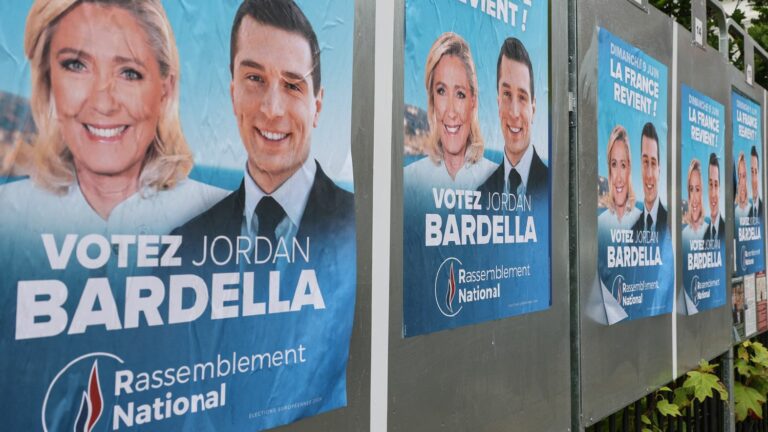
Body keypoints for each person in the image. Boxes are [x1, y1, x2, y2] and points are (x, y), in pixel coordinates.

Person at [0, 0, 225, 241]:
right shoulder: (8, 215)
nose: (103, 104)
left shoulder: (225, 218)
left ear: (165, 90)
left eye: (129, 73)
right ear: (48, 82)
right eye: (76, 65)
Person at [174, 0, 354, 267]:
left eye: (292, 86)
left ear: (317, 106)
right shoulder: (185, 245)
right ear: (234, 94)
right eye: (255, 78)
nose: (272, 110)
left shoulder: (359, 228)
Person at [405, 33, 495, 189]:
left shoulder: (497, 179)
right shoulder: (409, 182)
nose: (451, 112)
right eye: (441, 91)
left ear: (472, 101)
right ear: (432, 100)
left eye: (460, 94)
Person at [478, 37, 547, 198]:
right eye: (507, 94)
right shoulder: (482, 195)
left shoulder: (553, 191)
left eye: (522, 97)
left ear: (533, 108)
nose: (514, 113)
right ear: (498, 103)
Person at [598, 125, 641, 229]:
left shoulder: (641, 220)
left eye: (623, 165)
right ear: (609, 170)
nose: (618, 178)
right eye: (614, 164)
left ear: (629, 168)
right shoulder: (601, 224)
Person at [631, 123, 667, 235]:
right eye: (645, 162)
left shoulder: (670, 225)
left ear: (659, 170)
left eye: (653, 163)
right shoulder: (633, 231)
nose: (649, 174)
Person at [682, 159, 708, 242]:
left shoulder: (710, 231)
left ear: (702, 192)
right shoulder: (684, 235)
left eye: (697, 189)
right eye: (691, 189)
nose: (694, 198)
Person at [704, 153, 725, 241]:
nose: (713, 194)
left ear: (720, 189)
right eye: (710, 184)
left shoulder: (726, 232)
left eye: (716, 185)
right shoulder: (705, 236)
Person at [736, 151, 751, 219]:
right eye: (740, 176)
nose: (742, 181)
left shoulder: (751, 207)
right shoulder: (734, 208)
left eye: (744, 176)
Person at [750, 146, 763, 219]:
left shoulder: (764, 208)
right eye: (752, 172)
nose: (754, 179)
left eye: (756, 171)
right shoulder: (749, 213)